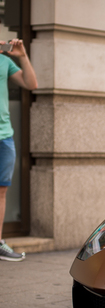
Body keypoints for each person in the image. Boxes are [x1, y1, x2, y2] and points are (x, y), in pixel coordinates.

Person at [0, 39, 38, 262]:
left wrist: (22, 56)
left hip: (4, 136)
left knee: (2, 191)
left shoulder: (5, 62)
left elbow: (31, 83)